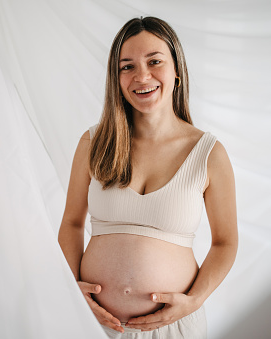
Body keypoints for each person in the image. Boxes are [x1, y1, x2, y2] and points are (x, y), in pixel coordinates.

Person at [58, 16, 238, 338]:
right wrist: (74, 290)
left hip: (173, 328)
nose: (142, 76)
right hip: (95, 324)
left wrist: (194, 301)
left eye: (154, 61)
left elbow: (225, 242)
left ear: (176, 70)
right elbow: (71, 223)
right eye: (126, 66)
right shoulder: (94, 142)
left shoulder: (209, 154)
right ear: (116, 78)